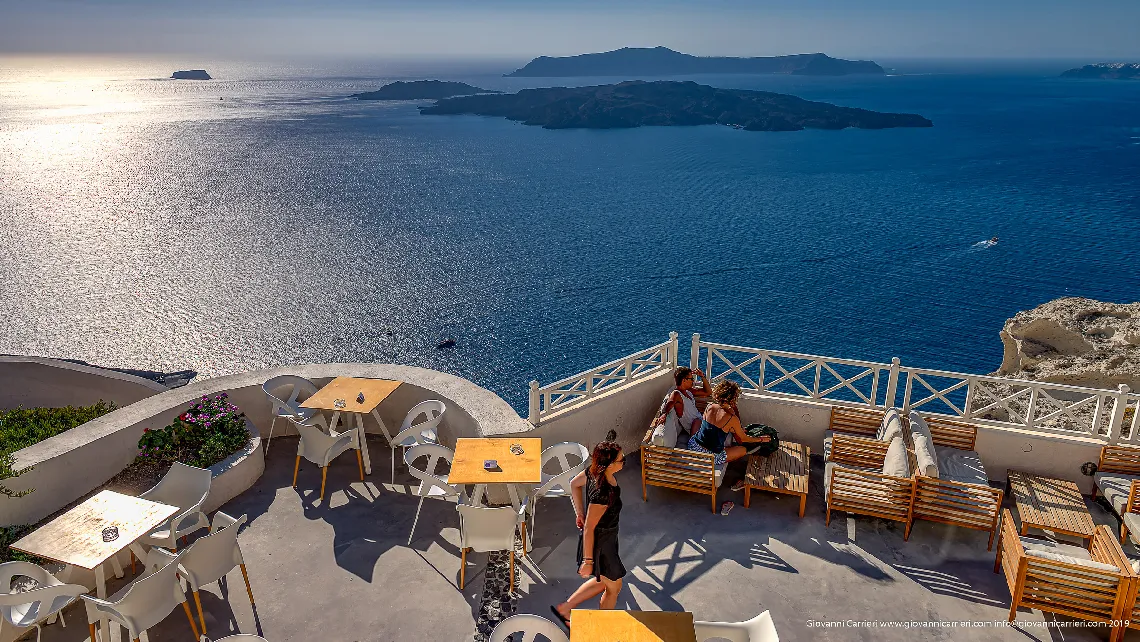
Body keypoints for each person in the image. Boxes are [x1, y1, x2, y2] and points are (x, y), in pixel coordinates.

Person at [551, 431, 626, 628]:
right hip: (601, 543)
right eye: (621, 460)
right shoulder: (603, 493)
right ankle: (602, 628)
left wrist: (580, 513)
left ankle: (565, 609)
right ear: (609, 465)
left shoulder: (593, 472)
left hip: (607, 539)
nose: (623, 462)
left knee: (604, 581)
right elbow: (590, 528)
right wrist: (588, 561)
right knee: (614, 586)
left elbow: (573, 484)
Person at [688, 379, 771, 491]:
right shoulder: (732, 418)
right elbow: (744, 438)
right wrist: (761, 439)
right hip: (711, 457)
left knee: (699, 424)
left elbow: (710, 428)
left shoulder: (710, 406)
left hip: (694, 446)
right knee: (742, 449)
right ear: (733, 398)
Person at [651, 366, 710, 436]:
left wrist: (702, 376)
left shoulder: (688, 391)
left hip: (702, 423)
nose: (693, 381)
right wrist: (664, 414)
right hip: (697, 428)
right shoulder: (677, 393)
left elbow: (708, 392)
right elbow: (670, 403)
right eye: (691, 379)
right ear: (684, 380)